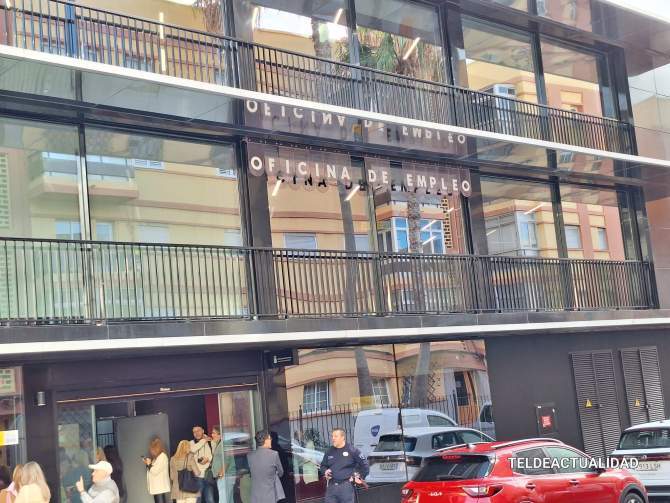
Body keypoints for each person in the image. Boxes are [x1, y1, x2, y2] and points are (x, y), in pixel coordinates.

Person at [319, 428, 369, 503]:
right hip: (332, 487)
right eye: (332, 436)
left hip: (346, 487)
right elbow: (323, 466)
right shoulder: (329, 451)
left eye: (336, 436)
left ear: (342, 437)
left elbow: (365, 465)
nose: (333, 438)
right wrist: (325, 471)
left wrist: (359, 477)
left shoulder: (352, 450)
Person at [247, 431, 284, 503]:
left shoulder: (250, 456)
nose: (271, 440)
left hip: (255, 496)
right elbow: (281, 473)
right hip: (269, 495)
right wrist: (274, 473)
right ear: (266, 440)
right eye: (270, 439)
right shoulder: (274, 454)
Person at [189, 426, 214, 503]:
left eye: (198, 431)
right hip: (197, 476)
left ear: (203, 431)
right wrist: (204, 440)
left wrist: (208, 459)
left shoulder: (209, 441)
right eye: (194, 432)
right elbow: (192, 450)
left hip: (208, 475)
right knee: (197, 500)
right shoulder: (191, 443)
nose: (196, 433)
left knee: (210, 500)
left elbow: (213, 454)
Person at [210, 426, 235, 503]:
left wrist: (221, 474)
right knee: (228, 500)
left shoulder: (225, 443)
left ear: (220, 434)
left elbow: (226, 459)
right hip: (225, 475)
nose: (212, 435)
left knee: (223, 500)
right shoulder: (221, 443)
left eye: (214, 433)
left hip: (225, 476)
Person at [143, 437, 170, 503]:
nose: (151, 451)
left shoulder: (162, 456)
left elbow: (155, 471)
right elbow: (152, 470)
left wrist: (148, 464)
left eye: (152, 449)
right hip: (157, 488)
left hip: (159, 487)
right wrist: (148, 463)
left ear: (156, 449)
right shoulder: (157, 458)